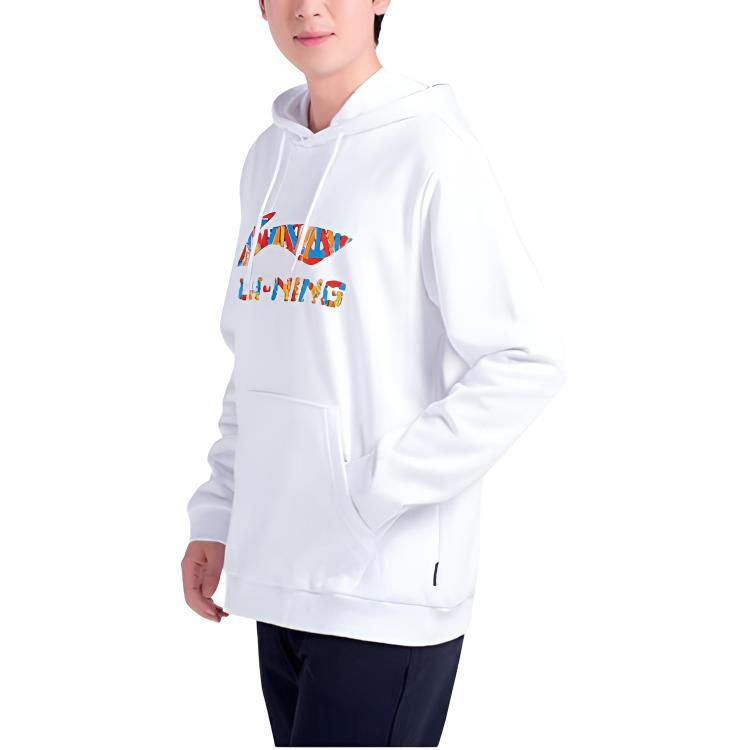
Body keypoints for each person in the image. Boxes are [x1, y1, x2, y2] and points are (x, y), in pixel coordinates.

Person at [181, 0, 567, 745]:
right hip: (278, 578)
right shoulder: (268, 157)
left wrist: (367, 491)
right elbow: (257, 357)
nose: (308, 8)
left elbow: (525, 359)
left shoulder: (431, 150)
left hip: (383, 589)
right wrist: (219, 514)